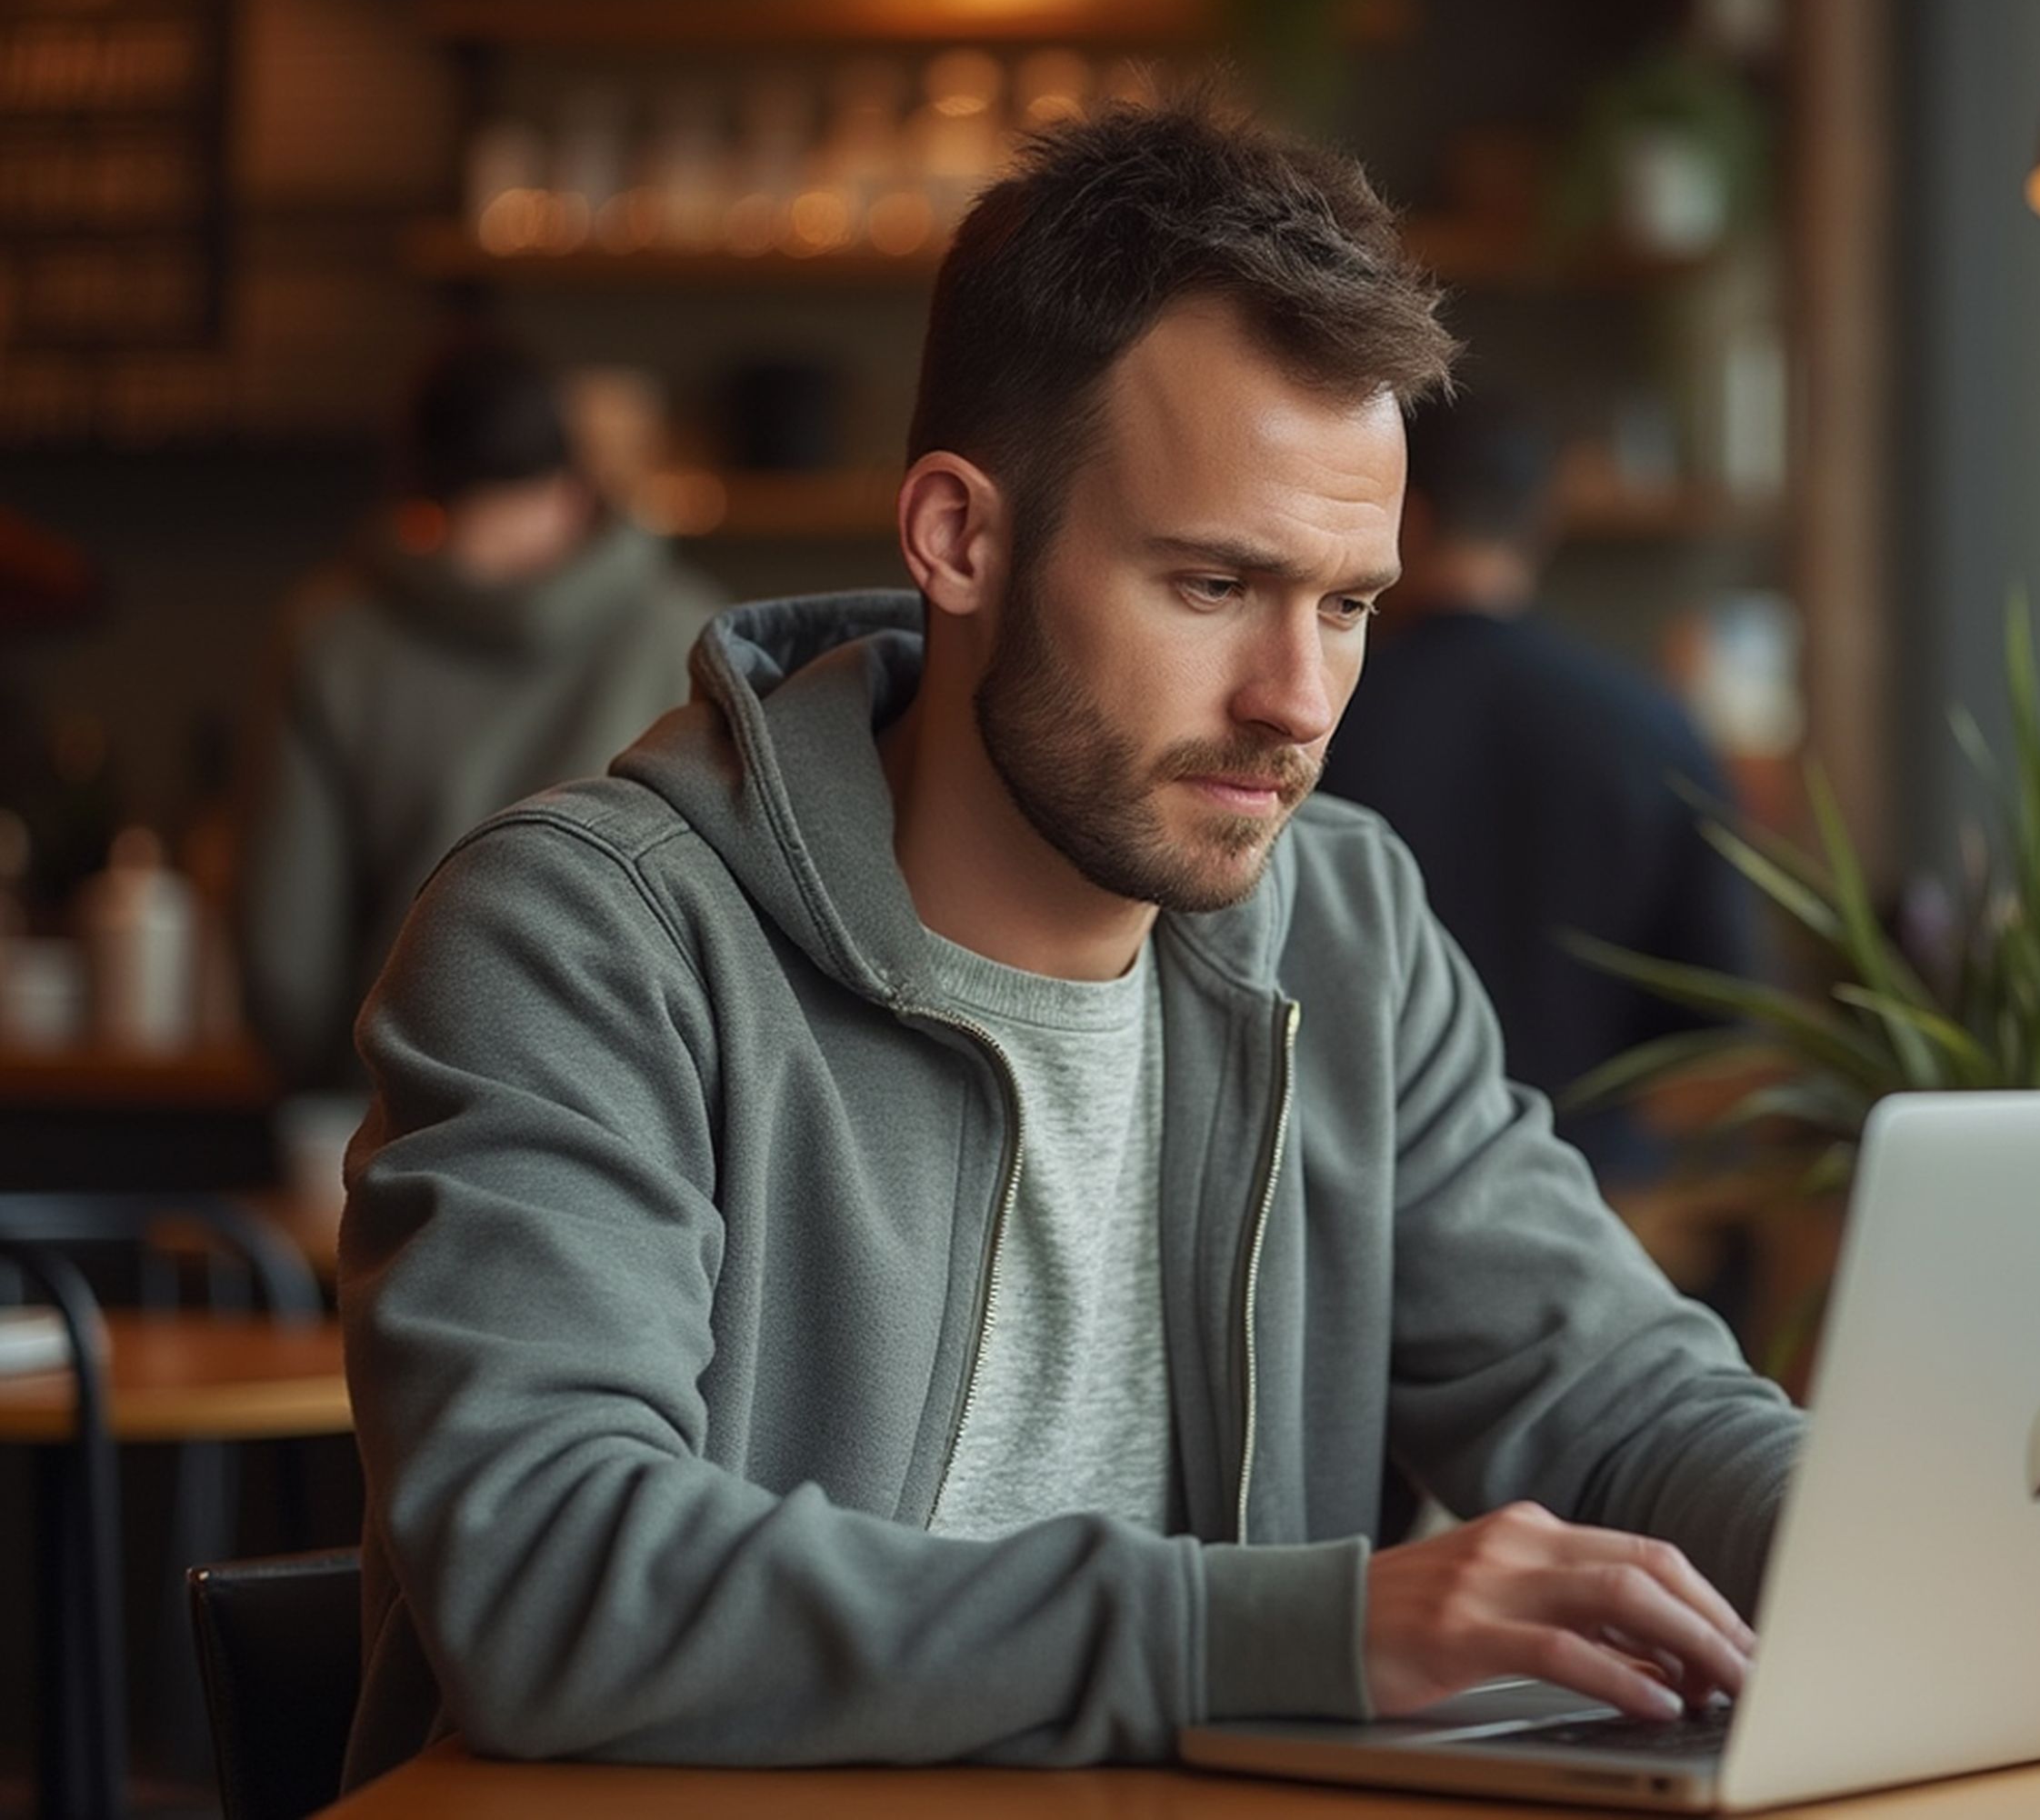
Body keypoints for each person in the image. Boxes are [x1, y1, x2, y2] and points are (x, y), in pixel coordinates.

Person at [336, 98, 1802, 1787]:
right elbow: (549, 1573)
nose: (1298, 701)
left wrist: (1903, 1546)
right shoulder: (588, 938)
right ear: (959, 536)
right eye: (1212, 585)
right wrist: (1287, 1636)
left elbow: (1619, 1403)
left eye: (1346, 604)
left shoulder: (1344, 929)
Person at [236, 336, 722, 1091]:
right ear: (573, 489)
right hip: (629, 1103)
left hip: (394, 1100)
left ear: (411, 495)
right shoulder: (691, 633)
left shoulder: (330, 638)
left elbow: (286, 961)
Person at [1322, 393, 1765, 1190]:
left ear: (1404, 518)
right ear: (1541, 525)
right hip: (1589, 1191)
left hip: (1357, 1186)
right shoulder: (1651, 726)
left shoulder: (1313, 724)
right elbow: (1721, 1023)